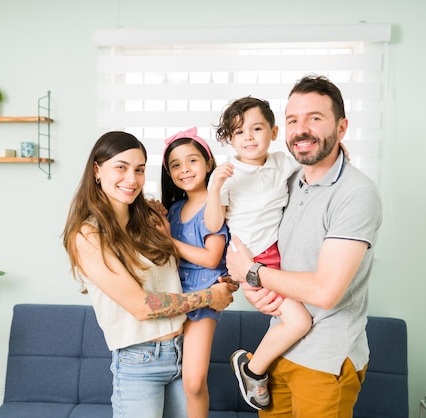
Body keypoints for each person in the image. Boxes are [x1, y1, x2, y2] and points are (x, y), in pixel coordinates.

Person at [225, 74, 382, 418]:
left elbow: (325, 291)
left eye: (315, 118)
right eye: (293, 120)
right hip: (278, 353)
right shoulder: (288, 179)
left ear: (342, 127)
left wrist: (253, 273)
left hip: (325, 361)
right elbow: (246, 223)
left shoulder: (355, 193)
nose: (302, 129)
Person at [62, 131, 236, 418]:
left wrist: (224, 280)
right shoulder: (89, 235)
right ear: (97, 170)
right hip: (139, 363)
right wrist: (209, 296)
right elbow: (143, 306)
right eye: (121, 167)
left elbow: (195, 256)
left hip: (180, 353)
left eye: (139, 169)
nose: (132, 179)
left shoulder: (153, 217)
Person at [203, 97, 313, 410]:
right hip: (251, 259)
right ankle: (253, 370)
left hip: (279, 256)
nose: (248, 137)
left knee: (293, 317)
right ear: (230, 139)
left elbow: (311, 165)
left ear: (274, 131)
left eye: (256, 128)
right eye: (239, 132)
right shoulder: (228, 173)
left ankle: (258, 368)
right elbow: (214, 223)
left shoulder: (282, 161)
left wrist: (339, 154)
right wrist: (214, 188)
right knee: (299, 321)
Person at [160, 127, 230, 418]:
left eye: (192, 161)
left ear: (208, 163)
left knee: (193, 381)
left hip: (204, 297)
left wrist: (170, 242)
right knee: (173, 376)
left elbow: (212, 258)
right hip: (174, 296)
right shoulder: (174, 209)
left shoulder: (214, 204)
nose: (184, 170)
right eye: (176, 165)